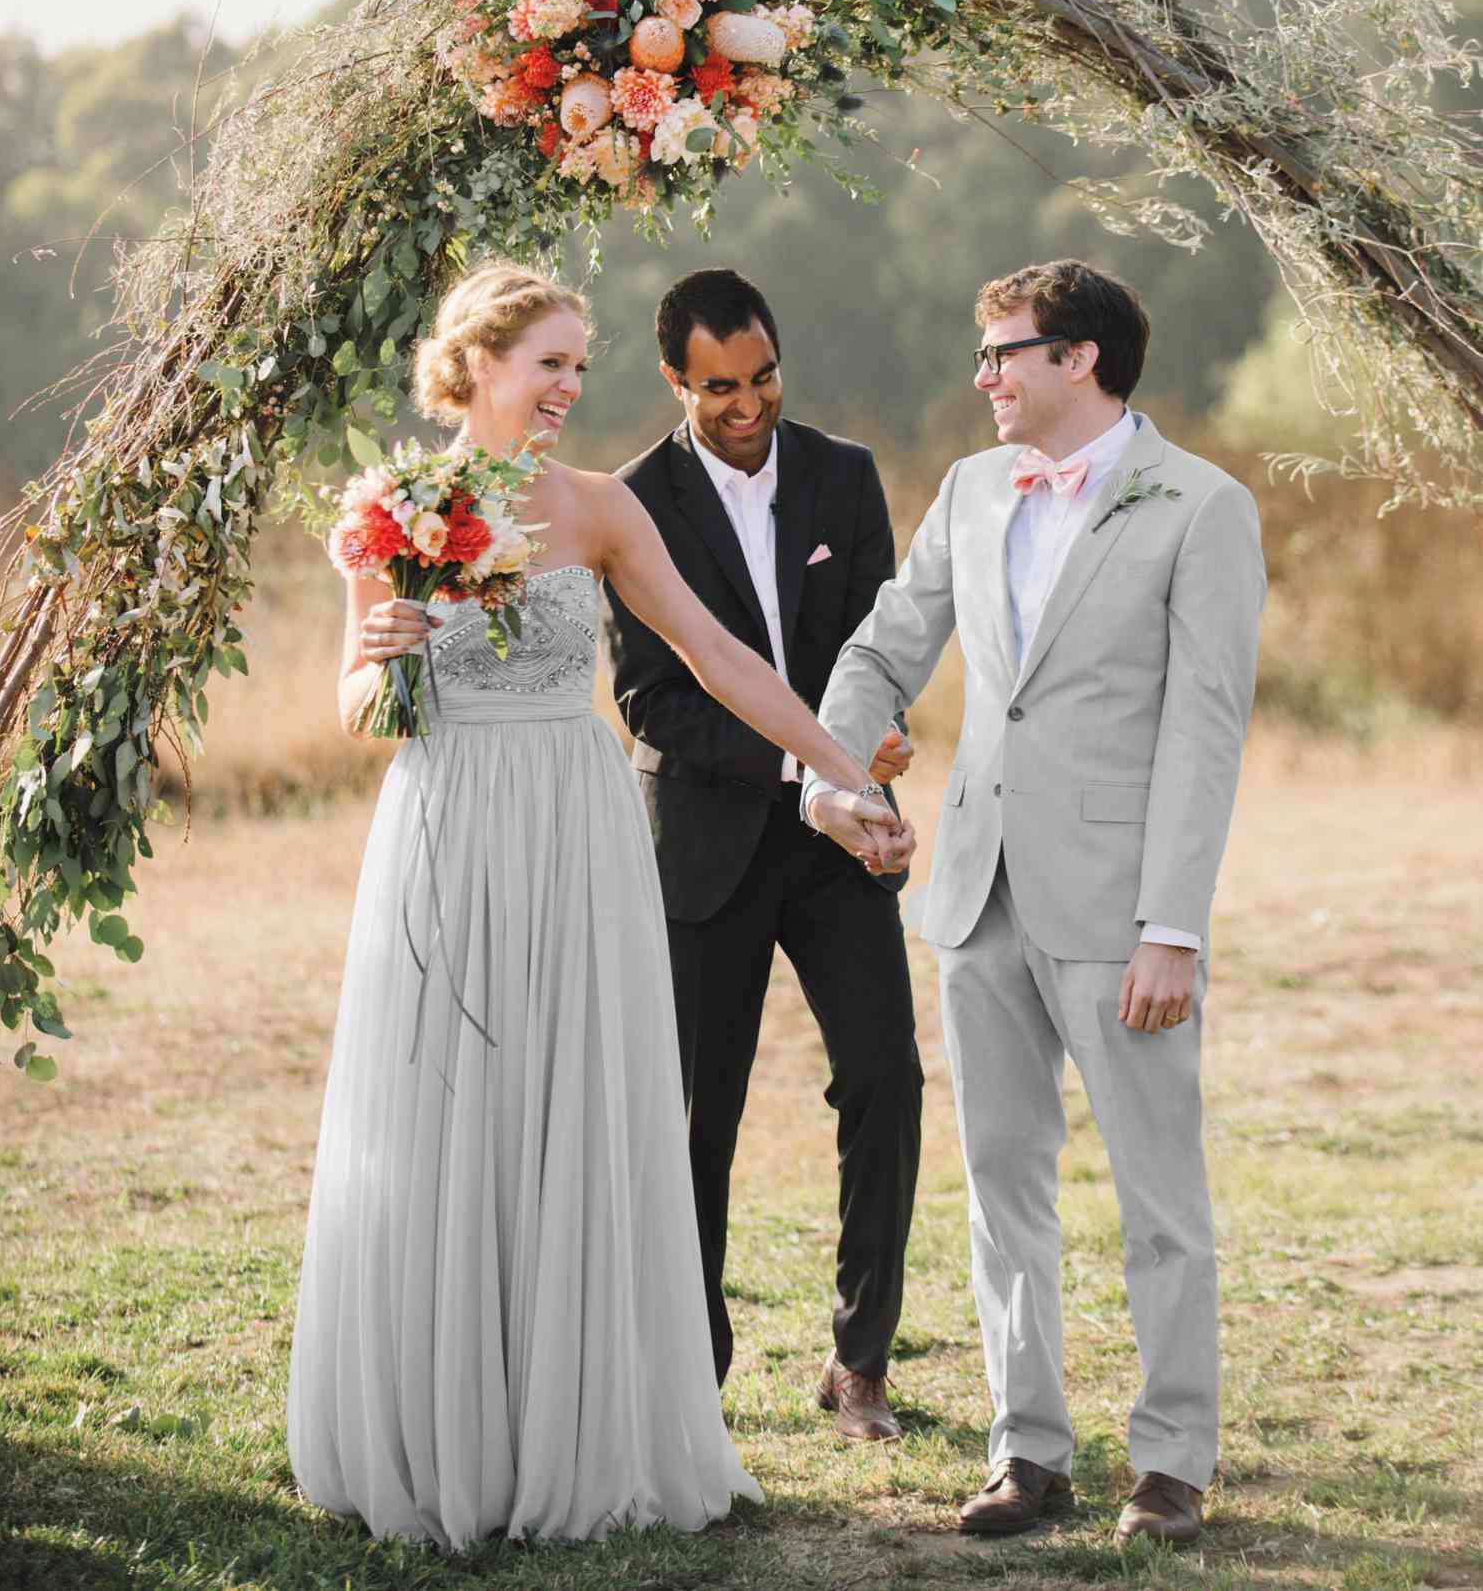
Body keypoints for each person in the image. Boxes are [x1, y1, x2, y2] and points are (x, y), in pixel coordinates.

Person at [286, 261, 904, 1549]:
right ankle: (450, 1422)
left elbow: (718, 659)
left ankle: (577, 1421)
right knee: (453, 1108)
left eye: (580, 363)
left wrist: (840, 769)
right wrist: (381, 659)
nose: (570, 385)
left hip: (576, 827)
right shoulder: (388, 507)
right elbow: (354, 709)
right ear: (477, 365)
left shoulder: (603, 507)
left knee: (573, 1107)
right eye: (549, 363)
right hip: (451, 826)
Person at [804, 259, 1265, 1547]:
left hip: (1122, 910)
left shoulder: (1202, 505)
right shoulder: (971, 487)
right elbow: (884, 647)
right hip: (977, 894)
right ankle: (1028, 1450)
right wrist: (833, 776)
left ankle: (1170, 1460)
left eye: (1003, 352)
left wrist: (1172, 925)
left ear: (1080, 358)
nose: (984, 377)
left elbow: (1206, 731)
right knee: (1002, 1185)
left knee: (1158, 1194)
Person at [600, 267, 923, 1441]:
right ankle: (697, 1376)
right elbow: (652, 702)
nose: (748, 405)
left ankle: (861, 1360)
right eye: (719, 387)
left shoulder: (846, 474)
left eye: (764, 376)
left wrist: (876, 748)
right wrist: (812, 771)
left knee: (885, 1078)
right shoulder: (632, 503)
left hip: (841, 842)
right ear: (674, 381)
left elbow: (877, 650)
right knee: (699, 1115)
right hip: (705, 842)